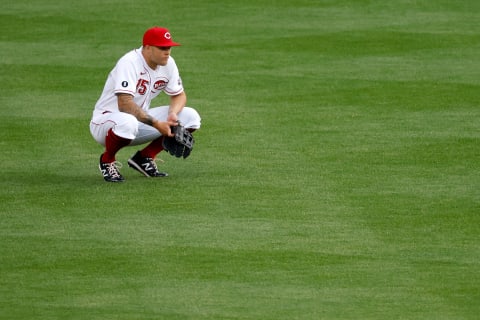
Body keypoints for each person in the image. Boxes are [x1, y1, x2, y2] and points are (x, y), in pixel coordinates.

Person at [90, 26, 201, 182]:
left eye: (169, 47)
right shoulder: (129, 63)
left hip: (138, 122)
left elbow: (179, 95)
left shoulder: (168, 63)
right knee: (128, 122)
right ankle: (107, 161)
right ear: (148, 48)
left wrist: (173, 114)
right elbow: (124, 104)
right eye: (162, 47)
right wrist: (156, 124)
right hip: (105, 123)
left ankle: (144, 158)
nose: (167, 51)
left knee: (191, 117)